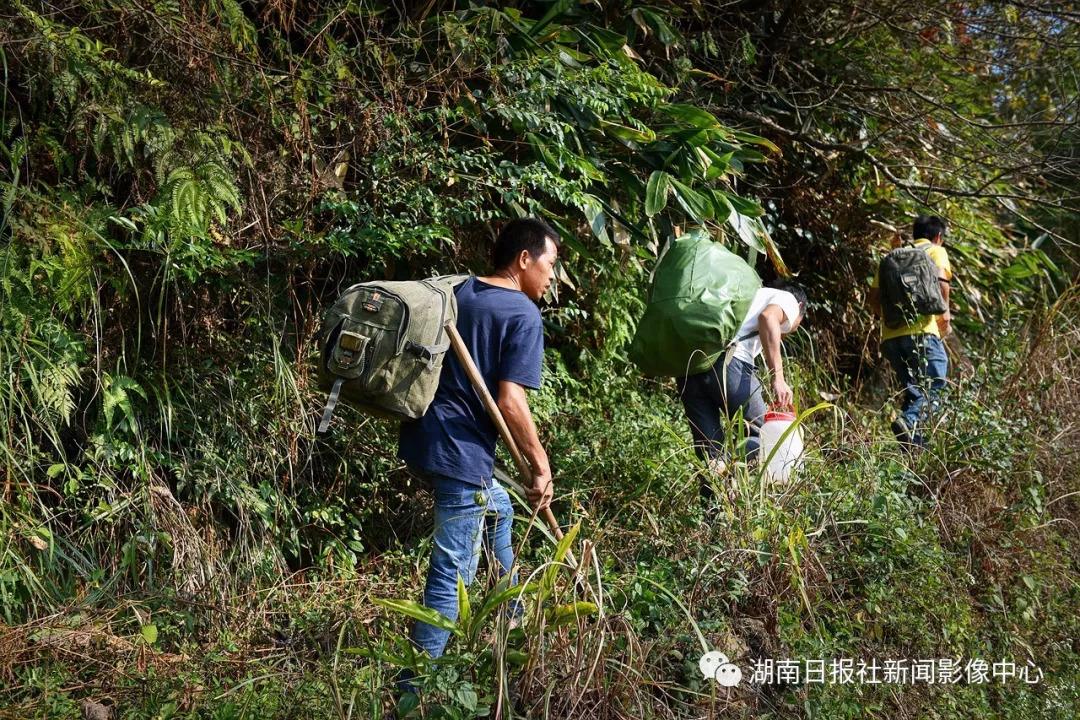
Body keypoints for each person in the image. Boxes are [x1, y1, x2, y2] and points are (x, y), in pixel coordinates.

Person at [397, 218, 558, 663]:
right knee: (450, 579)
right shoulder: (523, 313)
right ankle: (412, 695)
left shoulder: (461, 291)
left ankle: (514, 617)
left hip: (422, 439)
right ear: (524, 260)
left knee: (499, 510)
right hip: (460, 453)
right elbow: (511, 402)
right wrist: (540, 464)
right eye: (550, 265)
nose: (551, 277)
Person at [678, 281, 807, 494]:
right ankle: (731, 474)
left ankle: (714, 517)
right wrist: (779, 377)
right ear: (800, 308)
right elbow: (768, 318)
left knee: (710, 453)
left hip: (688, 367)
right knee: (763, 435)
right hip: (729, 364)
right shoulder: (789, 299)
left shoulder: (745, 295)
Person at [869, 214, 952, 448]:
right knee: (934, 386)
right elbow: (942, 283)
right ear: (938, 237)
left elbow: (873, 299)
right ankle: (909, 420)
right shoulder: (936, 251)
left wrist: (893, 320)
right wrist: (943, 317)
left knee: (915, 394)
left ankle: (912, 453)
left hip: (891, 338)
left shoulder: (892, 258)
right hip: (923, 333)